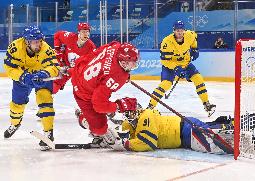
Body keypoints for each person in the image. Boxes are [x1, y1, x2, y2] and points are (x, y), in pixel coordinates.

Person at [70, 41, 140, 144]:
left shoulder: (116, 48)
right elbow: (98, 104)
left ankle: (103, 112)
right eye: (132, 62)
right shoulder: (115, 76)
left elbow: (108, 46)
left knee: (105, 104)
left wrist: (125, 72)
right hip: (82, 92)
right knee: (100, 130)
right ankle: (82, 117)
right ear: (123, 62)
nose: (135, 64)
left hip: (81, 66)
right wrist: (117, 107)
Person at [3, 25, 60, 150]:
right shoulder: (15, 47)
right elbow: (9, 67)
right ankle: (15, 124)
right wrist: (22, 77)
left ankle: (48, 133)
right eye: (35, 42)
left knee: (45, 100)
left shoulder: (46, 48)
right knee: (17, 105)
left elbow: (54, 67)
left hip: (41, 77)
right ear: (27, 41)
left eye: (39, 41)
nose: (38, 44)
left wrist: (45, 73)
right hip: (22, 77)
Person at [105, 102, 235, 153]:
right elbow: (123, 136)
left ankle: (234, 126)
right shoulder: (131, 123)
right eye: (125, 113)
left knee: (221, 145)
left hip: (186, 132)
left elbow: (148, 143)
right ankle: (226, 123)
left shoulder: (146, 116)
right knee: (214, 135)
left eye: (129, 112)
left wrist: (125, 144)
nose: (127, 115)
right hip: (185, 131)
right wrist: (108, 139)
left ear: (137, 110)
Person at [148, 20, 216, 117]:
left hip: (186, 64)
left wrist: (195, 49)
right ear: (173, 31)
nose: (179, 32)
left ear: (184, 30)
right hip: (170, 66)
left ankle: (207, 104)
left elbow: (194, 40)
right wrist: (175, 68)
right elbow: (164, 61)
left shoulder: (190, 35)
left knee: (198, 78)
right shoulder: (167, 42)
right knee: (165, 84)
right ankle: (150, 107)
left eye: (181, 30)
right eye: (177, 30)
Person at [53, 22, 97, 94]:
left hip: (78, 72)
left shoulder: (91, 47)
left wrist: (72, 71)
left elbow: (89, 67)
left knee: (85, 93)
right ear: (78, 32)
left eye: (87, 32)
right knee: (53, 88)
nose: (86, 34)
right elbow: (57, 35)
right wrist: (58, 52)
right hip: (64, 65)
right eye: (83, 32)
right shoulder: (70, 37)